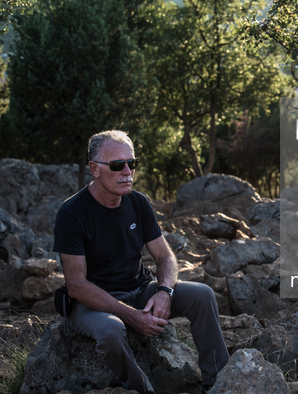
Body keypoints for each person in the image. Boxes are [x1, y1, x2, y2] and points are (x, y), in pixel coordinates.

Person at [53, 130, 229, 394]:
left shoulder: (138, 202)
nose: (127, 171)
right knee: (111, 330)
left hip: (139, 288)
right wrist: (132, 316)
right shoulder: (72, 213)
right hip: (92, 304)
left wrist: (164, 292)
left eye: (131, 163)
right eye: (117, 165)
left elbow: (165, 256)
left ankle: (219, 385)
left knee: (202, 295)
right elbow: (76, 285)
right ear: (95, 169)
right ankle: (142, 390)